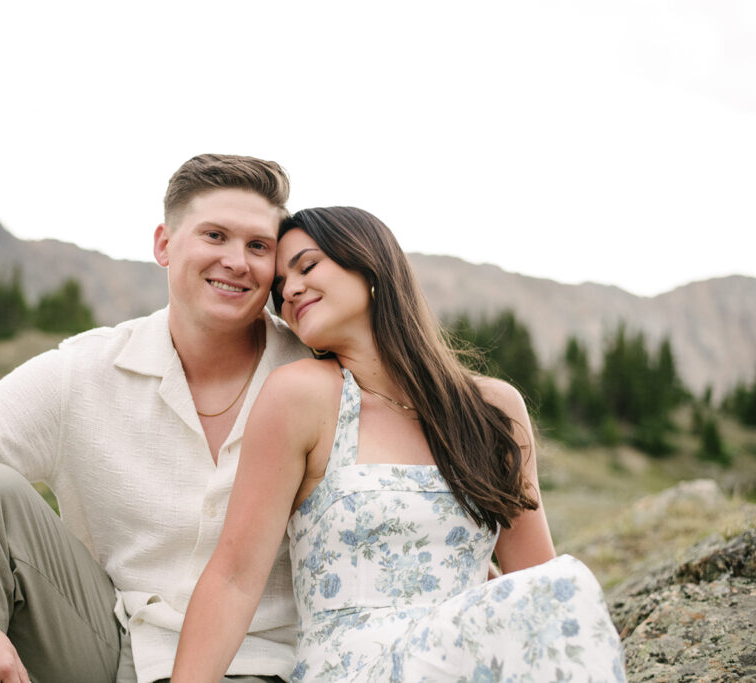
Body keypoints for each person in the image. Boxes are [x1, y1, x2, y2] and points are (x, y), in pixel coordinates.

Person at [0, 154, 313, 683]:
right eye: (215, 236)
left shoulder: (315, 371)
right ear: (164, 245)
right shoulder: (85, 370)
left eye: (258, 246)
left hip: (268, 665)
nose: (237, 261)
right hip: (117, 649)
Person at [171, 207, 626, 682]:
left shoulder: (493, 411)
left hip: (465, 661)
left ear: (369, 266)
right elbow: (234, 578)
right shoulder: (302, 396)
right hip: (357, 667)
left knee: (562, 584)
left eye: (307, 267)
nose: (289, 291)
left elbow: (535, 581)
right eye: (281, 287)